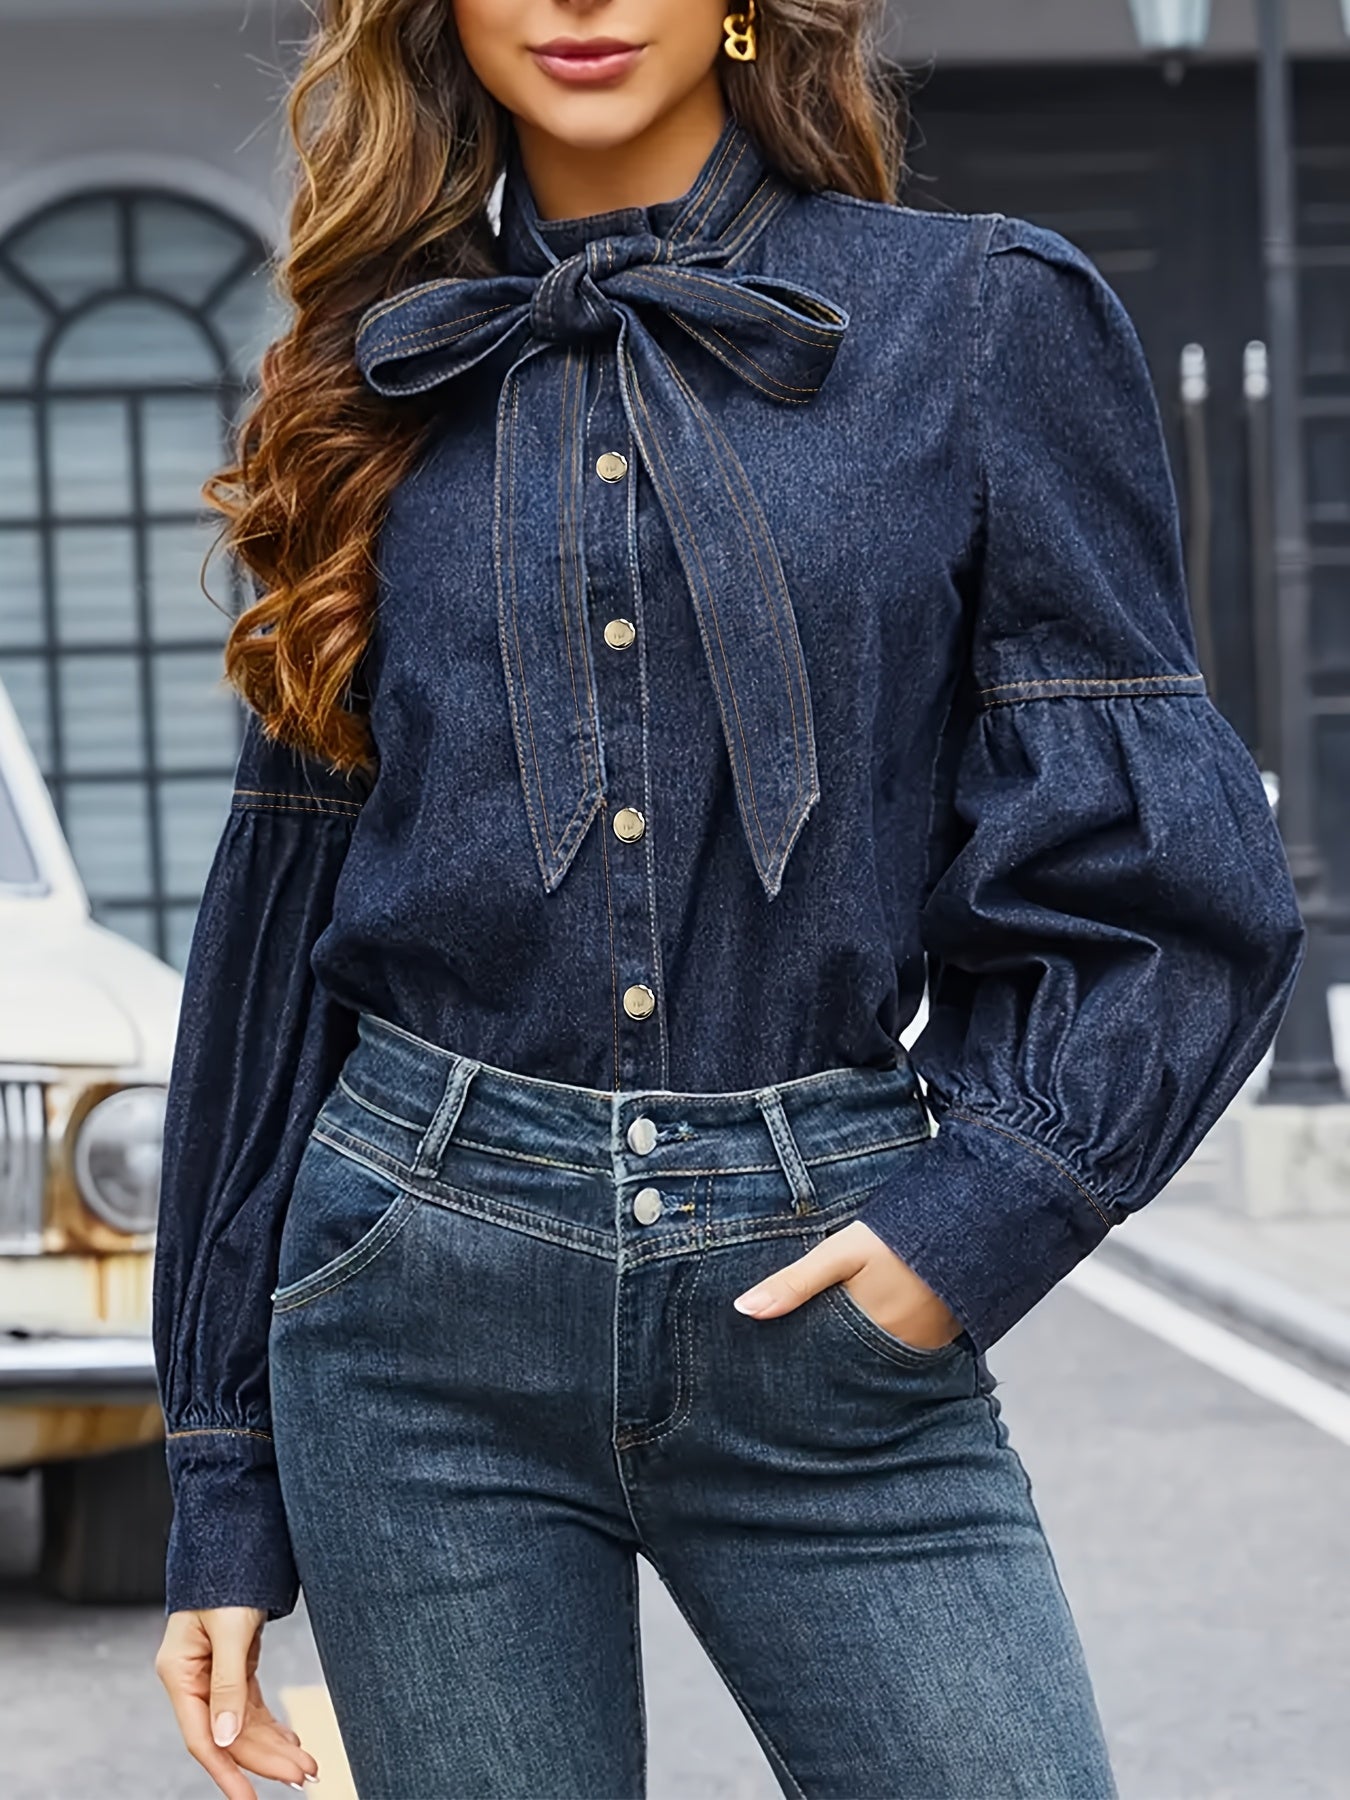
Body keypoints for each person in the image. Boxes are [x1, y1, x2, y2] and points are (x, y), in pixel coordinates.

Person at [150, 2, 1306, 1796]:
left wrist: (971, 1223)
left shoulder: (977, 318)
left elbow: (1160, 861)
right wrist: (219, 1475)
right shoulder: (361, 371)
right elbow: (276, 922)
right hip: (412, 1312)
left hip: (823, 1288)